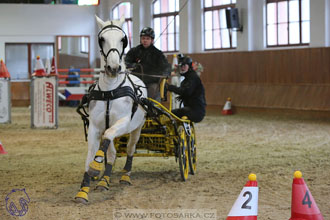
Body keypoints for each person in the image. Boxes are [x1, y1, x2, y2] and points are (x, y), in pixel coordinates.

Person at [125, 27, 171, 101]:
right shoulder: (134, 51)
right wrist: (131, 65)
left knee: (152, 92)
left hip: (151, 83)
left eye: (147, 38)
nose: (145, 40)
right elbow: (126, 61)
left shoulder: (158, 54)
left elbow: (166, 67)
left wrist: (165, 73)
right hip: (135, 81)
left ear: (152, 40)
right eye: (143, 38)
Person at [166, 56, 206, 123]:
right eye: (181, 66)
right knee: (170, 113)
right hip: (191, 109)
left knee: (170, 114)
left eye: (184, 65)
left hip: (196, 111)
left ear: (189, 66)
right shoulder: (186, 79)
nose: (182, 67)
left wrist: (171, 87)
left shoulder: (193, 77)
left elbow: (186, 92)